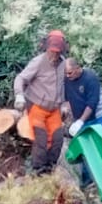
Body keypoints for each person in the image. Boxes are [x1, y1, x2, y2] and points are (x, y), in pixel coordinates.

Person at [12, 30, 69, 174]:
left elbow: (62, 86)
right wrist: (19, 95)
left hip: (54, 108)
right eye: (52, 51)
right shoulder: (38, 62)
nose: (54, 55)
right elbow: (21, 78)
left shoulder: (63, 64)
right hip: (37, 106)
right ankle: (37, 171)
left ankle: (50, 170)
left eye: (57, 52)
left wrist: (63, 104)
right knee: (41, 140)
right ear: (46, 48)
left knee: (57, 139)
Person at [62, 57, 102, 133]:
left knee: (98, 138)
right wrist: (65, 112)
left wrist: (80, 121)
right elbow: (68, 100)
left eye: (70, 73)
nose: (67, 75)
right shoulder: (67, 80)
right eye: (65, 73)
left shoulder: (90, 78)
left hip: (100, 115)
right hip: (85, 119)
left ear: (77, 68)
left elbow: (92, 103)